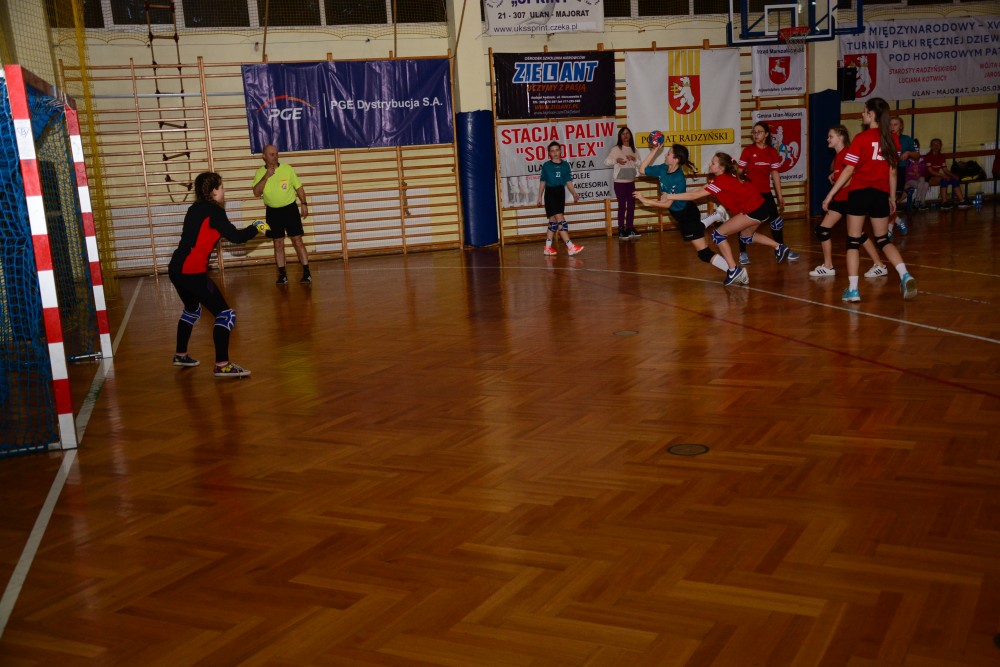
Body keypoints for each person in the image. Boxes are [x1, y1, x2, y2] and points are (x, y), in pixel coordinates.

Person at [639, 152, 798, 285]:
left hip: (754, 211)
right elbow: (698, 190)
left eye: (713, 163)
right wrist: (675, 195)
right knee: (746, 237)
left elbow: (695, 196)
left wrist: (670, 196)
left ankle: (733, 270)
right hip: (761, 208)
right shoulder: (724, 177)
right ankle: (779, 247)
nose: (710, 164)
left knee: (718, 235)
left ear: (721, 168)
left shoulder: (722, 181)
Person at [169, 172, 267, 378]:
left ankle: (181, 354)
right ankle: (222, 365)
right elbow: (237, 237)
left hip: (176, 268)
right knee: (226, 315)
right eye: (221, 187)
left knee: (192, 310)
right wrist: (256, 226)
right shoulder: (215, 213)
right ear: (213, 191)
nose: (224, 190)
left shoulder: (194, 208)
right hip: (192, 271)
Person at [822, 97, 916, 302]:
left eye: (864, 111)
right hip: (881, 194)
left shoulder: (861, 138)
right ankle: (905, 274)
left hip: (860, 193)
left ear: (872, 114)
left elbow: (849, 170)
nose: (862, 114)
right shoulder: (892, 139)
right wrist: (892, 197)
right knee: (883, 240)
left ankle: (853, 290)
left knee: (853, 240)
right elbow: (893, 172)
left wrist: (830, 194)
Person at [636, 142, 739, 279]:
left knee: (704, 253)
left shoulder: (678, 178)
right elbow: (642, 170)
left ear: (676, 159)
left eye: (668, 153)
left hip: (687, 215)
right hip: (680, 215)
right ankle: (717, 215)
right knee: (701, 246)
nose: (665, 155)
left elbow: (667, 204)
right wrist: (654, 150)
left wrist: (646, 200)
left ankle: (734, 271)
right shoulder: (663, 168)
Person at [809, 125, 888, 278]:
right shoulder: (839, 155)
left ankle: (877, 265)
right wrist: (834, 176)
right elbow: (843, 174)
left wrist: (834, 190)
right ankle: (877, 264)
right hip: (841, 199)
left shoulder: (847, 153)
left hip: (849, 198)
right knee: (830, 231)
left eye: (831, 136)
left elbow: (852, 177)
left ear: (841, 137)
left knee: (845, 233)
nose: (828, 139)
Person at [735, 122, 800, 264]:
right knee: (744, 223)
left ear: (766, 134)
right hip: (750, 194)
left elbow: (775, 174)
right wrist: (743, 187)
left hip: (765, 193)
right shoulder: (748, 151)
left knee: (776, 222)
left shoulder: (772, 152)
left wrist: (780, 196)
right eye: (754, 132)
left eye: (759, 132)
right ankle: (743, 252)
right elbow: (739, 173)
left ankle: (781, 249)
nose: (756, 134)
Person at [252, 144, 312, 284]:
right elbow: (256, 192)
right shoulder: (260, 173)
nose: (275, 157)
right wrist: (266, 177)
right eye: (272, 154)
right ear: (264, 157)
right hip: (273, 212)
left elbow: (299, 187)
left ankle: (307, 272)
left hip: (290, 209)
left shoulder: (287, 169)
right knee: (278, 243)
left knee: (297, 240)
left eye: (276, 154)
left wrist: (304, 203)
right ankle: (282, 275)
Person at [537, 141, 584, 256]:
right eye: (552, 151)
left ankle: (547, 247)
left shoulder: (565, 165)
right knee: (560, 219)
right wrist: (539, 197)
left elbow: (568, 181)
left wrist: (574, 193)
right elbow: (543, 181)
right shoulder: (547, 165)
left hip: (560, 193)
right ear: (549, 153)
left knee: (553, 221)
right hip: (550, 193)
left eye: (557, 150)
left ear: (561, 151)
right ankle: (570, 246)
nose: (555, 153)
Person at [605, 126, 640, 240]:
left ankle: (629, 228)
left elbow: (640, 164)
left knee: (631, 205)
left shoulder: (634, 150)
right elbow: (606, 162)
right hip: (619, 182)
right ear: (620, 136)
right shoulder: (616, 149)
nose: (625, 135)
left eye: (627, 133)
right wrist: (616, 160)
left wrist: (634, 160)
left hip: (631, 181)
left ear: (630, 135)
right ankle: (621, 229)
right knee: (622, 205)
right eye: (623, 134)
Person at [924, 138, 972, 209]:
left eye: (938, 144)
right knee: (944, 179)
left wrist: (954, 176)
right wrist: (944, 176)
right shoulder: (928, 156)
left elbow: (945, 170)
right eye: (934, 144)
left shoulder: (941, 156)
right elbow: (930, 171)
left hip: (937, 176)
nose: (936, 146)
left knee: (954, 180)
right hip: (927, 178)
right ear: (931, 146)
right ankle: (944, 202)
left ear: (940, 146)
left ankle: (962, 201)